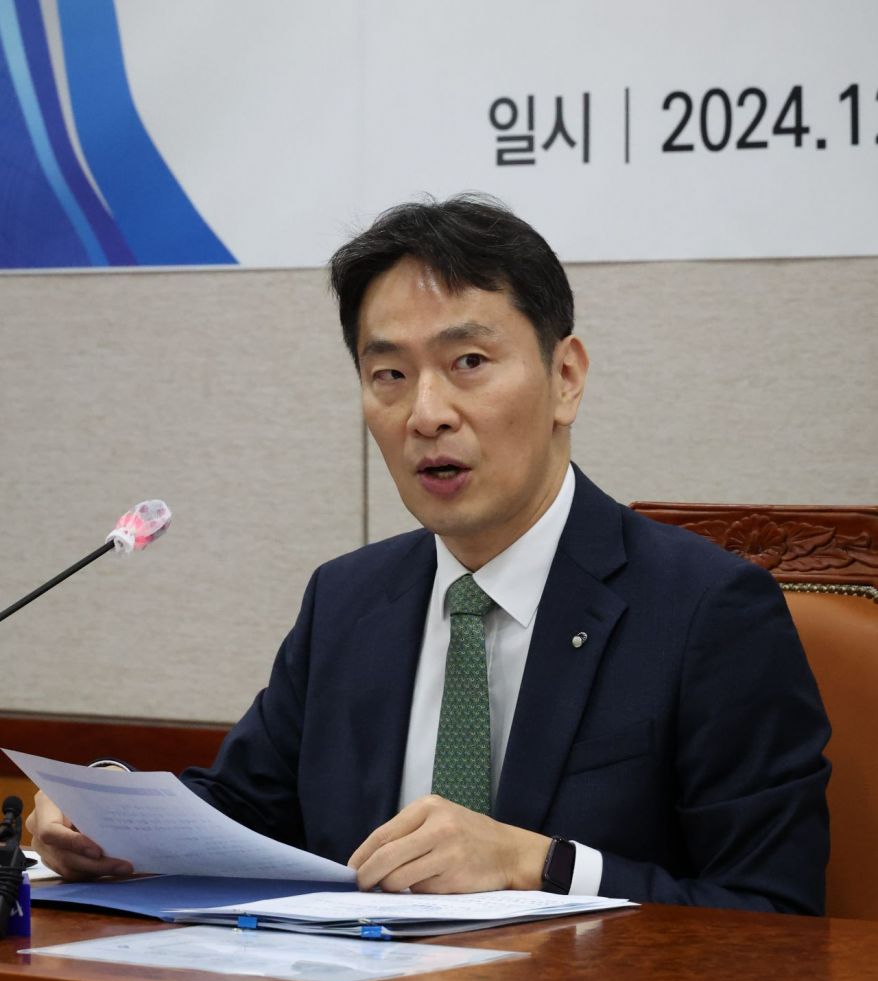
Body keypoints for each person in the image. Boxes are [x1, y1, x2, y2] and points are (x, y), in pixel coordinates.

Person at [27, 195, 831, 912]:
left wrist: (539, 864)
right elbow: (241, 813)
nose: (426, 413)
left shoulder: (705, 611)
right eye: (389, 374)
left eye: (468, 363)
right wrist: (107, 814)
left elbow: (772, 911)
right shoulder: (348, 601)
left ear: (565, 378)